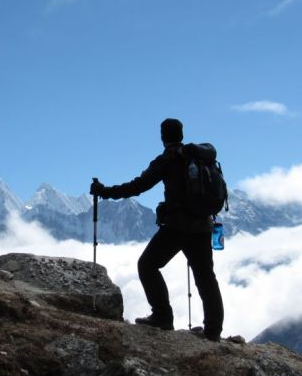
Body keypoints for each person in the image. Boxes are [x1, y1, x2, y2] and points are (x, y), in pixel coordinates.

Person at [90, 118, 224, 340]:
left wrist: (104, 191)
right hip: (203, 226)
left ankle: (162, 316)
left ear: (163, 136)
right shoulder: (198, 158)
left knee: (147, 265)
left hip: (178, 226)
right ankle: (213, 330)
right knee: (206, 277)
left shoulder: (168, 160)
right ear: (181, 134)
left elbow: (137, 186)